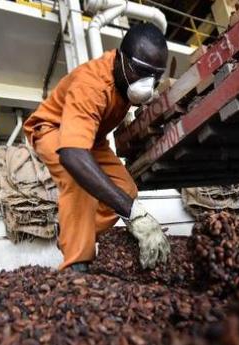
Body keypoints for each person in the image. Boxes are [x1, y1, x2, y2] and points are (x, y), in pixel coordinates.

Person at [23, 23, 171, 272]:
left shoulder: (125, 80)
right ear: (121, 59)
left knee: (126, 189)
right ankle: (76, 266)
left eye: (155, 76)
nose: (148, 83)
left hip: (92, 138)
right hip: (53, 128)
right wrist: (134, 214)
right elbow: (72, 155)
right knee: (79, 180)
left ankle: (71, 228)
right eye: (142, 72)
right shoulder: (91, 85)